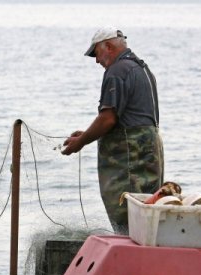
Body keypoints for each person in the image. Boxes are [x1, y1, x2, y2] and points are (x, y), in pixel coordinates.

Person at [61, 27, 164, 235]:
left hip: (129, 157)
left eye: (96, 54)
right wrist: (88, 133)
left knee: (127, 212)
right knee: (146, 210)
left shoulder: (117, 71)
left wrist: (80, 143)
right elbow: (126, 118)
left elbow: (108, 119)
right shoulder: (141, 68)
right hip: (149, 152)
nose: (96, 61)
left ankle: (130, 259)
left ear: (108, 46)